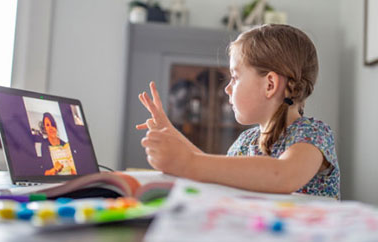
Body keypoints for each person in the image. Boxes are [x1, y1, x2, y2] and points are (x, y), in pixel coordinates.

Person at [136, 24, 340, 199]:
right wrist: (171, 132)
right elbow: (214, 174)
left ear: (270, 84)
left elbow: (282, 176)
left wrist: (188, 162)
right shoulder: (245, 142)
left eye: (235, 77)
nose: (227, 88)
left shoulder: (313, 135)